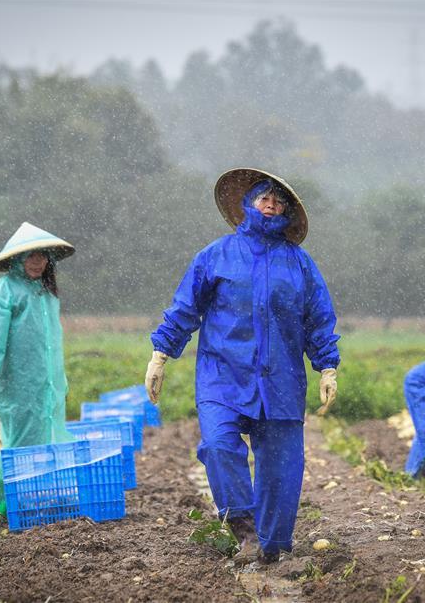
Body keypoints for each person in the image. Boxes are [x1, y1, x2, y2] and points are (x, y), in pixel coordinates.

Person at [145, 168, 340, 565]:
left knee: (282, 468)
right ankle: (243, 527)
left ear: (285, 211)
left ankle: (273, 547)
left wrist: (327, 366)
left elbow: (317, 318)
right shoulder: (215, 255)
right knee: (218, 446)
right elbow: (186, 309)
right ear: (248, 204)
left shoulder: (299, 264)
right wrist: (160, 354)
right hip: (223, 374)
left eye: (278, 201)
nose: (270, 206)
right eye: (263, 198)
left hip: (282, 379)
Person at [0, 222, 75, 523]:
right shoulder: (3, 292)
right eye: (31, 256)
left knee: (49, 443)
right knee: (18, 446)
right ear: (17, 259)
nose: (37, 261)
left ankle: (35, 500)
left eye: (43, 256)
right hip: (18, 386)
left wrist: (60, 381)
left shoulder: (47, 293)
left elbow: (52, 344)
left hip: (49, 386)